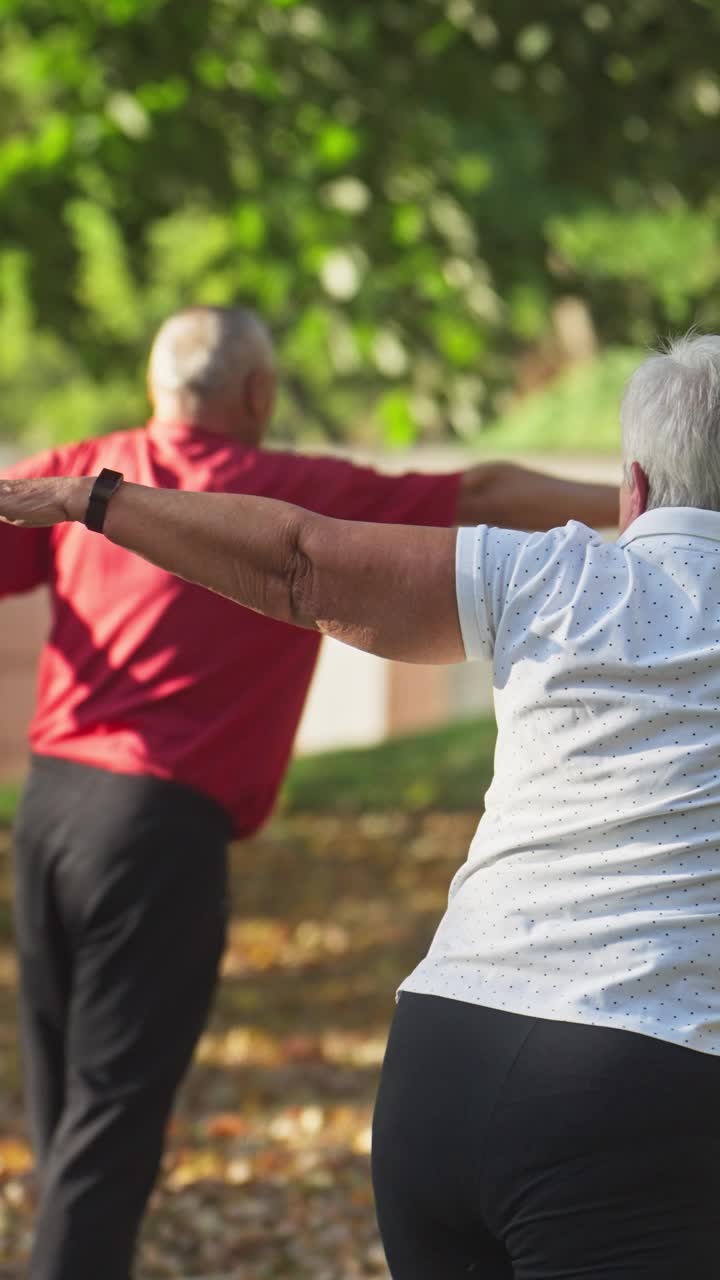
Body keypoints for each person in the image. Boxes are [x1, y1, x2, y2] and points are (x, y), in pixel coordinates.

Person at [4, 330, 720, 1278]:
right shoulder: (318, 482)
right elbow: (456, 496)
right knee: (103, 1116)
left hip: (440, 1063)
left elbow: (297, 564)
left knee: (71, 1107)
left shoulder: (548, 575)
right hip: (640, 1086)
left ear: (632, 487)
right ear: (257, 391)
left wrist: (93, 500)